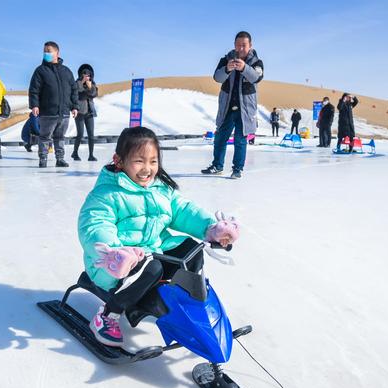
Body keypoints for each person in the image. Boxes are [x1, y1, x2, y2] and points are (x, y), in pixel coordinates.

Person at [78, 127, 240, 346]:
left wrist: (211, 228)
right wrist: (115, 253)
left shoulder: (160, 189)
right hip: (114, 263)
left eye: (153, 161)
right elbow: (95, 225)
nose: (147, 169)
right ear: (119, 160)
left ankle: (182, 305)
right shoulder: (106, 194)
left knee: (191, 251)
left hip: (153, 248)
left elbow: (184, 210)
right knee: (151, 267)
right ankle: (108, 315)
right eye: (139, 161)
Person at [201, 31, 264, 179]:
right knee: (220, 137)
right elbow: (217, 77)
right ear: (234, 45)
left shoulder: (256, 62)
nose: (241, 48)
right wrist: (227, 69)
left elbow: (256, 77)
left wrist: (244, 68)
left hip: (245, 109)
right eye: (238, 45)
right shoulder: (226, 59)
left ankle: (237, 169)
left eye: (244, 45)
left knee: (240, 139)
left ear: (250, 45)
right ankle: (217, 165)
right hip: (227, 106)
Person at [28, 41, 79, 168]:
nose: (46, 53)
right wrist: (34, 105)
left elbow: (73, 90)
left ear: (57, 53)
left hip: (64, 112)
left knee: (60, 137)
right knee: (45, 136)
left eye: (49, 51)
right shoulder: (40, 71)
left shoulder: (66, 71)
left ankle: (60, 159)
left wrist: (75, 106)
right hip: (47, 112)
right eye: (44, 51)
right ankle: (43, 158)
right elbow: (34, 89)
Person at [71, 64, 98, 162]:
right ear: (81, 75)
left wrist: (90, 87)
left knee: (91, 135)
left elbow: (94, 94)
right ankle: (75, 153)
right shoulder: (77, 83)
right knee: (80, 134)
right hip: (80, 112)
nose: (87, 76)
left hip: (90, 112)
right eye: (85, 74)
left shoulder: (92, 84)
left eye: (88, 75)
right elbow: (78, 95)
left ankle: (91, 155)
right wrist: (82, 82)